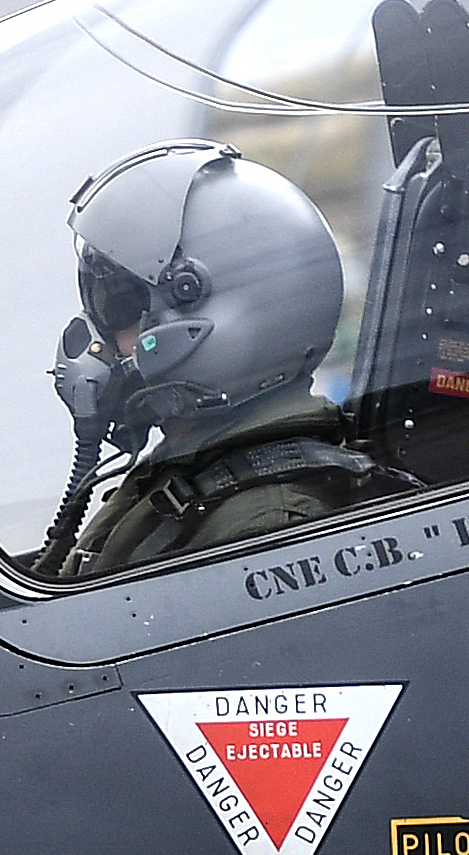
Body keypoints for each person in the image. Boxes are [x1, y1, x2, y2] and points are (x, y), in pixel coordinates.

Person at [37, 141, 405, 579]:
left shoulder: (266, 532)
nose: (97, 336)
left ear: (199, 310)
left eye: (113, 305)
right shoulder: (184, 472)